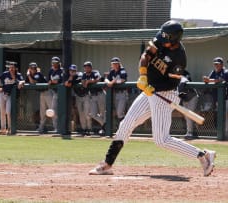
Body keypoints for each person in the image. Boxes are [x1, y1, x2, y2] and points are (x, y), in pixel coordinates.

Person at [88, 20, 216, 176]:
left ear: (174, 39)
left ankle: (203, 155)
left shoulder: (179, 58)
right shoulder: (160, 41)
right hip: (149, 90)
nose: (161, 41)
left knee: (161, 140)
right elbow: (145, 56)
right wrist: (143, 75)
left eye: (166, 38)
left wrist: (152, 88)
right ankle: (107, 164)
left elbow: (172, 82)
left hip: (165, 93)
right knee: (126, 124)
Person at [203, 57, 228, 139]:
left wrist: (209, 80)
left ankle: (226, 134)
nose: (216, 65)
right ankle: (221, 133)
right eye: (215, 64)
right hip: (217, 98)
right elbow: (209, 80)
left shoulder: (226, 71)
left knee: (224, 116)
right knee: (220, 116)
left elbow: (221, 80)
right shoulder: (213, 72)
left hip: (226, 98)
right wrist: (206, 79)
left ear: (222, 64)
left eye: (218, 64)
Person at [0, 61, 25, 135]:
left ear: (16, 68)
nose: (11, 69)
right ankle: (3, 128)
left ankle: (10, 128)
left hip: (10, 96)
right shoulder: (5, 73)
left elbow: (22, 81)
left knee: (8, 112)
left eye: (13, 68)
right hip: (3, 94)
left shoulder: (18, 75)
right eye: (10, 67)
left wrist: (20, 82)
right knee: (2, 112)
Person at [37, 56, 63, 134]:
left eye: (56, 62)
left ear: (58, 63)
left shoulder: (61, 71)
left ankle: (58, 128)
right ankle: (56, 128)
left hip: (61, 93)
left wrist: (53, 81)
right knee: (53, 110)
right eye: (53, 62)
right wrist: (52, 81)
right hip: (54, 92)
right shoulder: (51, 70)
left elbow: (58, 81)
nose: (54, 64)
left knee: (56, 111)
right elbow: (48, 81)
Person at [82, 61, 106, 136]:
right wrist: (88, 82)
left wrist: (88, 81)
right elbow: (84, 85)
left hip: (100, 94)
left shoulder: (95, 72)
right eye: (85, 67)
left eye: (88, 67)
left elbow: (98, 79)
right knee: (92, 114)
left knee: (103, 112)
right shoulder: (84, 75)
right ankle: (105, 124)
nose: (86, 68)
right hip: (92, 95)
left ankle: (104, 129)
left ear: (91, 67)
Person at [104, 57, 128, 128]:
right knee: (118, 113)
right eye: (113, 64)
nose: (115, 65)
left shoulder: (122, 70)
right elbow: (106, 79)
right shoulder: (112, 71)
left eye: (116, 63)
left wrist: (113, 82)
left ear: (119, 64)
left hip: (122, 93)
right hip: (115, 94)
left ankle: (125, 126)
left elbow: (123, 79)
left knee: (119, 112)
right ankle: (123, 127)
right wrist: (109, 82)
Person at [63, 64, 86, 135]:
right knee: (81, 114)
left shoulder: (80, 74)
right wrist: (71, 78)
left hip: (86, 95)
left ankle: (89, 129)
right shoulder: (69, 77)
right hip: (78, 96)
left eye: (74, 70)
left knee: (87, 113)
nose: (72, 72)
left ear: (76, 70)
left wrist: (71, 81)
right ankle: (84, 129)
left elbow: (79, 80)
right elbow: (67, 84)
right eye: (71, 70)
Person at [177, 69, 199, 140]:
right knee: (187, 116)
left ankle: (190, 132)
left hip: (192, 96)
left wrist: (179, 90)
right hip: (185, 98)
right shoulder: (172, 75)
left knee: (189, 115)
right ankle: (190, 132)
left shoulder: (185, 73)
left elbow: (185, 81)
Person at [25, 62, 47, 131]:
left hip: (48, 91)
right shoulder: (30, 75)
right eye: (31, 68)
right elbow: (26, 82)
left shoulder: (38, 74)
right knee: (42, 111)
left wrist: (28, 75)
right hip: (42, 93)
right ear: (29, 69)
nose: (33, 69)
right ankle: (41, 127)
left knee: (52, 109)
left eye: (34, 68)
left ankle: (57, 128)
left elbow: (32, 82)